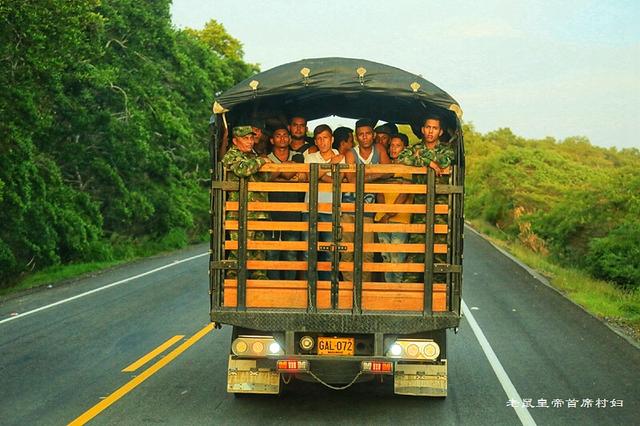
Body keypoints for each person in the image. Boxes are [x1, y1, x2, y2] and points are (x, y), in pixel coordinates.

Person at [397, 115, 455, 282]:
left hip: (440, 209)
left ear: (440, 131)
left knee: (438, 251)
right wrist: (429, 163)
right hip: (420, 207)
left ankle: (437, 295)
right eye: (428, 127)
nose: (430, 131)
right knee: (416, 250)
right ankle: (410, 293)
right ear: (422, 130)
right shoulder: (413, 148)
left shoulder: (446, 150)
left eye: (434, 128)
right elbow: (402, 157)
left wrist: (419, 158)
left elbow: (444, 160)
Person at [341, 119, 392, 283]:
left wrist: (365, 175)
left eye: (368, 133)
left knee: (367, 252)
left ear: (373, 135)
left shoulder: (379, 149)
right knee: (347, 251)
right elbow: (352, 181)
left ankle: (364, 288)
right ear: (356, 137)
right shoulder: (351, 153)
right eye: (361, 134)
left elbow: (389, 172)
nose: (364, 137)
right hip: (349, 209)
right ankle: (349, 288)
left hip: (369, 210)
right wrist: (376, 173)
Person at [221, 125, 273, 280]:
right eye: (245, 138)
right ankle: (233, 285)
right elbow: (243, 170)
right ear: (236, 141)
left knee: (259, 252)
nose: (250, 142)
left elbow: (264, 178)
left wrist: (260, 161)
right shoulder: (232, 155)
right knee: (240, 251)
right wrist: (262, 160)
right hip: (241, 214)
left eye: (251, 138)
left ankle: (259, 284)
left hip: (258, 213)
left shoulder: (252, 156)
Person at [303, 124, 345, 281]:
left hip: (331, 211)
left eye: (325, 138)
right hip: (310, 209)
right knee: (309, 252)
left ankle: (328, 291)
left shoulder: (342, 157)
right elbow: (309, 177)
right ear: (315, 141)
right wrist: (330, 165)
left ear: (332, 139)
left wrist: (319, 173)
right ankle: (310, 290)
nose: (322, 142)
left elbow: (338, 181)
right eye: (319, 139)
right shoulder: (310, 157)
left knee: (330, 252)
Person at [265, 125, 305, 280]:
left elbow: (289, 175)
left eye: (284, 135)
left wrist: (277, 171)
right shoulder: (266, 157)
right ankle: (274, 289)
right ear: (272, 139)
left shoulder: (298, 156)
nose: (281, 138)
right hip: (271, 212)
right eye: (278, 135)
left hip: (293, 212)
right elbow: (266, 179)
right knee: (272, 253)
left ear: (289, 139)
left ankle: (291, 288)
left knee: (291, 253)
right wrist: (285, 169)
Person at [375, 133, 412, 283]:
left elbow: (404, 194)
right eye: (391, 145)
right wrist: (384, 213)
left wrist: (388, 214)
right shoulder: (385, 167)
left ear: (405, 148)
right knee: (386, 257)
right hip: (382, 218)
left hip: (399, 220)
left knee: (397, 258)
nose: (393, 149)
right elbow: (379, 193)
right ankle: (388, 291)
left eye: (398, 145)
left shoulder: (408, 168)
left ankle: (397, 294)